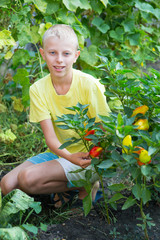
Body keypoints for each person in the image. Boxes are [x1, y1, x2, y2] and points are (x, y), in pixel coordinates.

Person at [1, 24, 110, 208]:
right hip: (62, 154)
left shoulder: (89, 85)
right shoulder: (38, 89)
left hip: (88, 156)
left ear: (76, 55)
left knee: (27, 179)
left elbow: (103, 130)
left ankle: (89, 182)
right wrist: (69, 157)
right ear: (43, 54)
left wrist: (92, 161)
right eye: (52, 53)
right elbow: (51, 139)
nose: (59, 60)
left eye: (66, 54)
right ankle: (74, 187)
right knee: (6, 185)